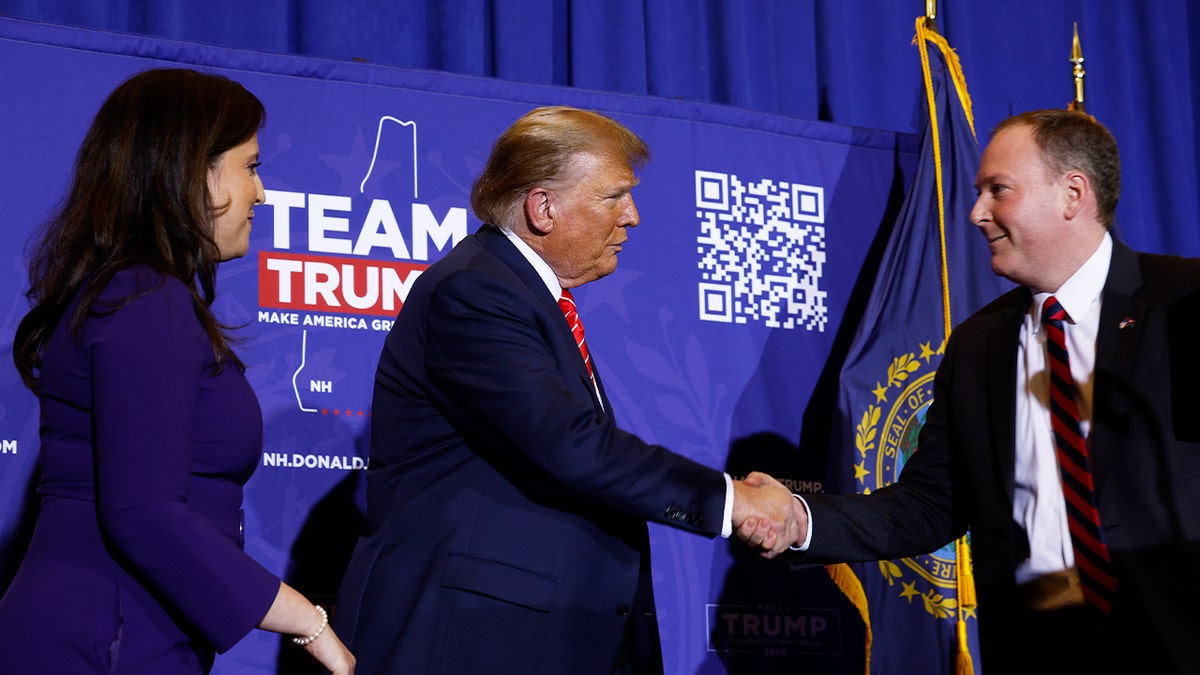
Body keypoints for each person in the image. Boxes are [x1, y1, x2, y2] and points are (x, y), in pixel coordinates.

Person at [333, 105, 797, 674]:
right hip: (474, 643)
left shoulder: (529, 297)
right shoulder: (474, 292)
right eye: (614, 196)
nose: (633, 216)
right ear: (543, 207)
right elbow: (569, 446)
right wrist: (733, 501)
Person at [776, 109, 1200, 673]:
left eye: (998, 190)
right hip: (1037, 650)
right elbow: (930, 504)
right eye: (979, 193)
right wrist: (798, 520)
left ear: (1072, 194)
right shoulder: (978, 344)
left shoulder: (1184, 302)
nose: (977, 214)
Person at [0, 68, 355, 674]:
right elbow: (144, 514)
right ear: (192, 172)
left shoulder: (140, 297)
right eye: (250, 166)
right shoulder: (143, 301)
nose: (261, 194)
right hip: (103, 636)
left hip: (123, 627)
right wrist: (311, 623)